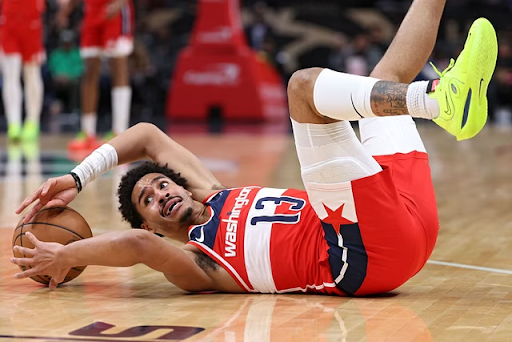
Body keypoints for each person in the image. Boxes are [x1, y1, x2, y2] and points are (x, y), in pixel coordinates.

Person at [12, 0, 498, 294]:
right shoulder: (198, 265)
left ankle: (437, 94)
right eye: (150, 203)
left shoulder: (216, 193)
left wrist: (78, 177)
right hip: (360, 257)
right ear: (153, 226)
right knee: (303, 89)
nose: (161, 194)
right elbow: (138, 247)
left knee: (381, 86)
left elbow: (146, 135)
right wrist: (63, 258)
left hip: (407, 222)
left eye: (160, 184)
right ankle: (437, 101)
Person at [56, 0, 134, 151]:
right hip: (92, 10)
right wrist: (68, 8)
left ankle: (120, 132)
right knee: (89, 71)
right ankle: (87, 132)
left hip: (115, 9)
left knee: (118, 68)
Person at [0, 0, 45, 142]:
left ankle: (32, 121)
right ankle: (13, 122)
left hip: (31, 18)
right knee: (10, 73)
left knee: (32, 73)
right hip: (9, 19)